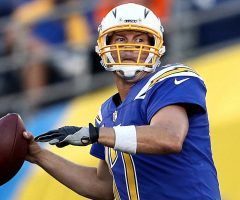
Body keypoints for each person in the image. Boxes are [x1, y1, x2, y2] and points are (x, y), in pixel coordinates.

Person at [23, 3, 221, 199]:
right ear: (104, 46)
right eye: (120, 39)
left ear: (155, 45)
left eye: (140, 39)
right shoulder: (107, 112)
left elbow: (169, 137)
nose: (129, 47)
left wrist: (96, 134)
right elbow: (103, 186)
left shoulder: (171, 79)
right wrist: (39, 156)